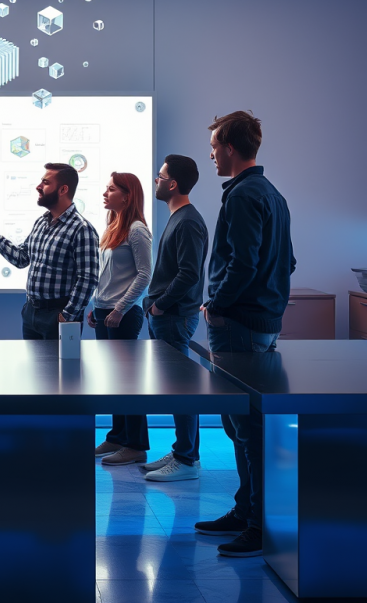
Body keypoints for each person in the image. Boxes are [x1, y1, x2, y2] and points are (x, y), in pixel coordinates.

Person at [194, 111, 295, 558]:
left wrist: (216, 304)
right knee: (245, 427)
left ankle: (256, 525)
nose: (211, 154)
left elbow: (243, 264)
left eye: (215, 146)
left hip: (236, 327)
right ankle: (245, 511)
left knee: (245, 429)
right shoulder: (273, 194)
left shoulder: (241, 196)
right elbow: (287, 262)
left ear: (230, 148)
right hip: (262, 326)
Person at [0, 163, 99, 340]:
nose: (38, 187)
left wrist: (67, 316)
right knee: (33, 368)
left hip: (59, 315)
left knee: (58, 368)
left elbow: (88, 278)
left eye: (45, 182)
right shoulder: (41, 222)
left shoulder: (82, 229)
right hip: (31, 312)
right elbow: (21, 259)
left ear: (63, 190)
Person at [140, 155, 208, 482]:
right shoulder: (179, 217)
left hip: (173, 317)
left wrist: (160, 306)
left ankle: (186, 461)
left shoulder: (189, 221)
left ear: (173, 183)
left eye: (160, 175)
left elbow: (189, 274)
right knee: (175, 388)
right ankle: (184, 451)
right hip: (166, 316)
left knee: (181, 389)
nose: (156, 179)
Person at [91, 172, 152, 465]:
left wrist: (119, 308)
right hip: (106, 312)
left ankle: (136, 445)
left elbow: (145, 275)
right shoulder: (113, 227)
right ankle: (117, 436)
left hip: (123, 315)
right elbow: (108, 275)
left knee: (129, 383)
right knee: (113, 380)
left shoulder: (137, 230)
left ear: (127, 196)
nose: (105, 193)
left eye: (111, 189)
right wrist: (98, 305)